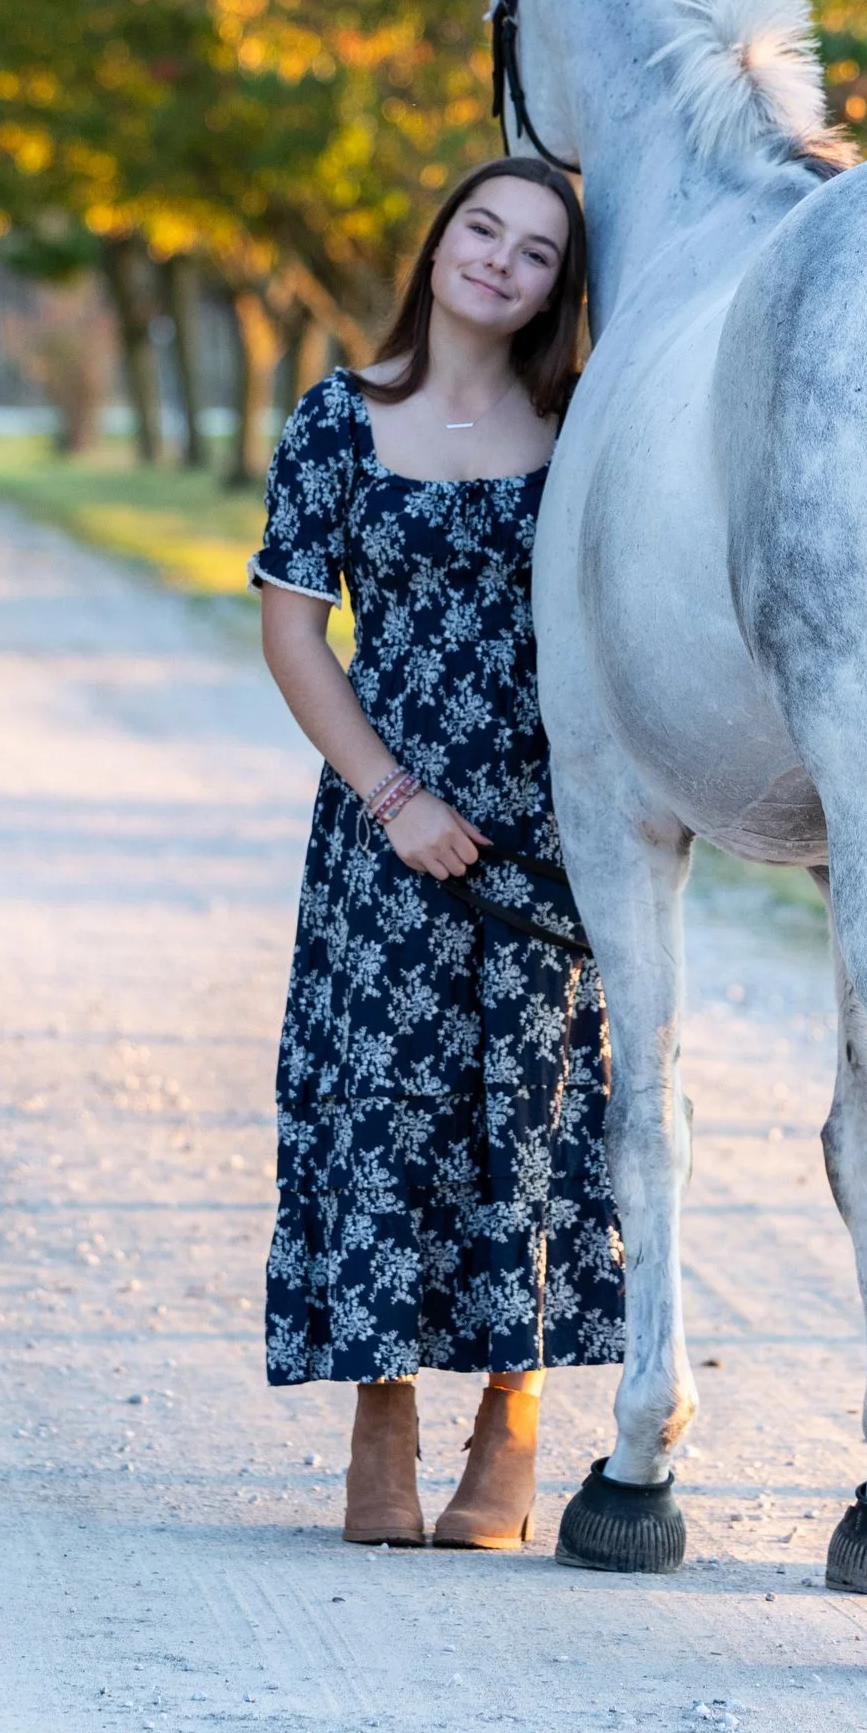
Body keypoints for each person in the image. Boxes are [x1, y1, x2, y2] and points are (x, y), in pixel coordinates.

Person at [248, 156, 622, 1550]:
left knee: (529, 1114)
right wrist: (392, 795)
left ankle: (511, 1418)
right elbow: (295, 633)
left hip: (545, 831)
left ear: (556, 290)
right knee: (383, 1109)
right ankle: (383, 1414)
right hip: (387, 834)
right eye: (482, 229)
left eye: (534, 253)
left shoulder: (582, 426)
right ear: (440, 240)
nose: (498, 261)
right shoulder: (339, 418)